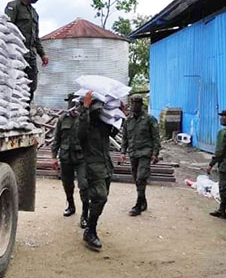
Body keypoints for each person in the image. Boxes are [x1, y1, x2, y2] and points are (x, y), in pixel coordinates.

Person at [78, 91, 118, 249]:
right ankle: (90, 230)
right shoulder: (84, 124)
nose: (98, 111)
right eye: (96, 109)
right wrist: (85, 108)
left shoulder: (103, 125)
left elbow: (114, 131)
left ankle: (90, 224)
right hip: (94, 168)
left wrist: (119, 114)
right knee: (100, 197)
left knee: (100, 198)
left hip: (106, 166)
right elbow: (79, 134)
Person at [4, 0, 49, 105]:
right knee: (15, 84)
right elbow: (7, 28)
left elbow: (36, 37)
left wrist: (42, 54)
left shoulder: (34, 14)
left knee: (31, 87)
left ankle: (24, 115)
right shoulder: (14, 6)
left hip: (31, 56)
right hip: (17, 55)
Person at [51, 93, 88, 228]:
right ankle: (71, 205)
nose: (72, 107)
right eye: (70, 104)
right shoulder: (62, 119)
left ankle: (85, 214)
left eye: (75, 104)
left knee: (84, 185)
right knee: (67, 184)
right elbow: (57, 139)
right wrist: (53, 157)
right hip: (66, 157)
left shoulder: (84, 119)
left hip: (81, 158)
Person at [120, 94, 160, 216]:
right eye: (132, 103)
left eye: (136, 103)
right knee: (137, 179)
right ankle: (143, 201)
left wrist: (155, 154)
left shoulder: (149, 119)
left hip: (145, 153)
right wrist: (123, 152)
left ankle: (138, 205)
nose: (134, 105)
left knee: (141, 177)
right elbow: (125, 138)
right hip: (133, 153)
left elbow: (156, 138)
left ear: (141, 104)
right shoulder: (128, 121)